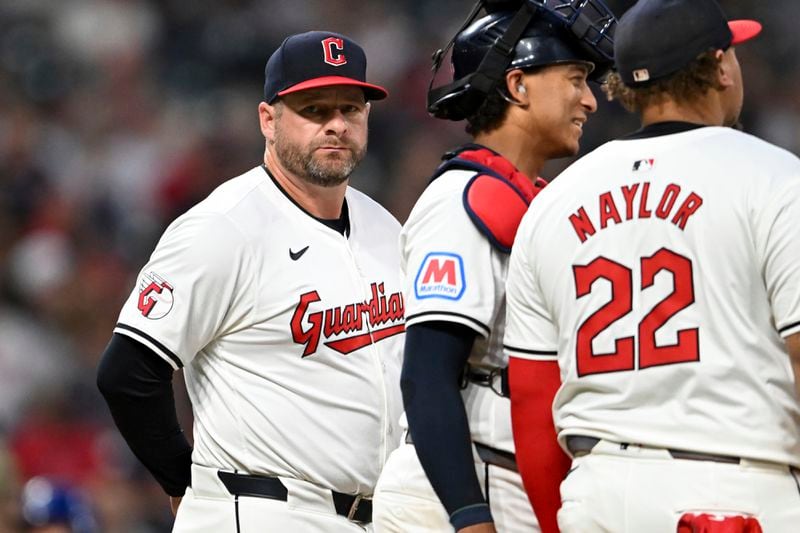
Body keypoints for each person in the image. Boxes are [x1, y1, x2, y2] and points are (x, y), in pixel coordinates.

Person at [504, 0, 800, 531]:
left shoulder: (553, 201)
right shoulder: (776, 179)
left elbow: (531, 394)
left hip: (599, 492)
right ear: (720, 66)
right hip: (735, 490)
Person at [96, 31, 405, 532]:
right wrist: (183, 482)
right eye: (313, 109)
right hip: (263, 509)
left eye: (350, 109)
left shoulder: (384, 228)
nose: (335, 125)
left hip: (376, 515)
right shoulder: (223, 226)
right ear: (268, 119)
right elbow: (127, 373)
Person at [372, 1, 616, 532]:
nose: (589, 101)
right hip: (461, 484)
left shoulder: (523, 197)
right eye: (575, 79)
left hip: (507, 477)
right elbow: (427, 375)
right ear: (519, 84)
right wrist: (469, 515)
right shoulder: (463, 200)